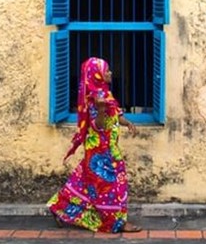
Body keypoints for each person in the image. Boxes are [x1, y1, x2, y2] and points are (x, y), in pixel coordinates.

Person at [47, 57, 141, 233]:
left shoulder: (106, 93)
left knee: (83, 182)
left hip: (109, 148)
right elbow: (99, 125)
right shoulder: (93, 97)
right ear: (97, 74)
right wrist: (101, 109)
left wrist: (127, 122)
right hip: (101, 153)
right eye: (107, 71)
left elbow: (115, 115)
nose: (110, 73)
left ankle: (58, 207)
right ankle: (117, 223)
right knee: (111, 186)